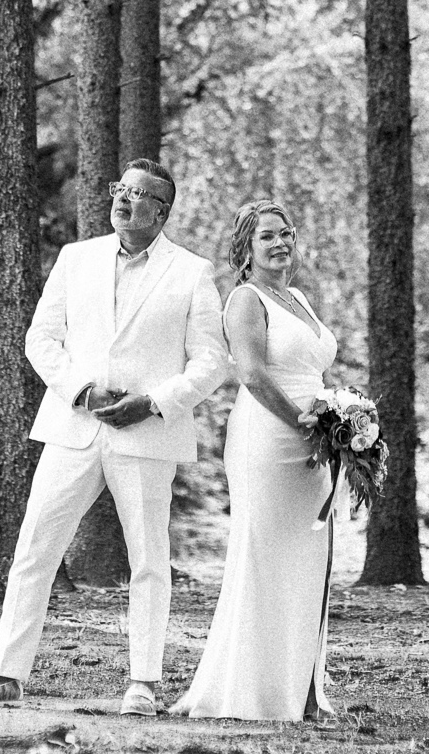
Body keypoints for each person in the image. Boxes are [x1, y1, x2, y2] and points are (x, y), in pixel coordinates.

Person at [0, 159, 228, 718]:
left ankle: (143, 684)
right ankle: (4, 674)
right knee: (34, 550)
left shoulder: (192, 272)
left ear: (161, 212)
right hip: (74, 427)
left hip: (146, 434)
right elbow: (41, 339)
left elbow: (212, 361)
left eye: (139, 194)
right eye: (121, 188)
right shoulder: (77, 258)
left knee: (149, 562)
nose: (123, 198)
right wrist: (82, 391)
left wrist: (154, 402)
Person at [172, 198, 339, 721]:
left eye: (286, 233)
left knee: (309, 562)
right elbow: (251, 374)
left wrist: (341, 421)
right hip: (269, 439)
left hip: (317, 444)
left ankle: (305, 692)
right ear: (246, 248)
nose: (280, 242)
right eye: (267, 235)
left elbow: (313, 370)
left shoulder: (299, 298)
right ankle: (249, 692)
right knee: (264, 559)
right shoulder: (245, 300)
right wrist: (304, 422)